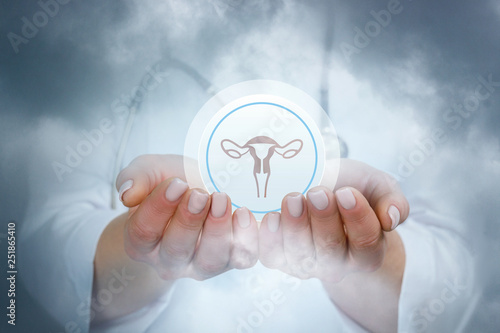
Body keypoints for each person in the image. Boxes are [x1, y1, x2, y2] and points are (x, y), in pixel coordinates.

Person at [19, 3, 479, 333]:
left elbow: (464, 263)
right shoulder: (102, 26)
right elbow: (26, 247)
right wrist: (142, 246)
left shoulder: (412, 33)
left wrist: (369, 256)